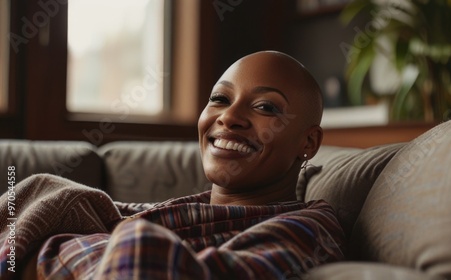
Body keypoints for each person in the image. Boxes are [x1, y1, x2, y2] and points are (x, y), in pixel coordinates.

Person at [0, 51, 345, 279]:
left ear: (308, 143)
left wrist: (47, 253)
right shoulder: (180, 214)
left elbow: (143, 259)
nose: (230, 117)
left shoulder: (310, 230)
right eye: (220, 99)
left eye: (266, 107)